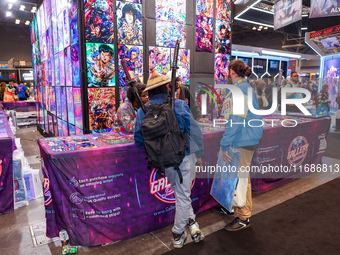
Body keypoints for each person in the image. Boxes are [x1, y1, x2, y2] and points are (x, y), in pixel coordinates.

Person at [134, 70, 205, 248]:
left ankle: (193, 224)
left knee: (180, 193)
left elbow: (138, 139)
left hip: (163, 160)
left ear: (149, 92)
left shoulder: (142, 112)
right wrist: (200, 153)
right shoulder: (179, 105)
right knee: (183, 194)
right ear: (167, 88)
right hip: (184, 155)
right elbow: (195, 130)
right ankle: (177, 234)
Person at [212, 59, 263, 231]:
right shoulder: (241, 88)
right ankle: (230, 206)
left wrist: (225, 143)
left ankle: (244, 216)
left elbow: (237, 120)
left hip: (243, 139)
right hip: (241, 137)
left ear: (231, 72)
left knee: (241, 177)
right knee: (232, 175)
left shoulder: (241, 89)